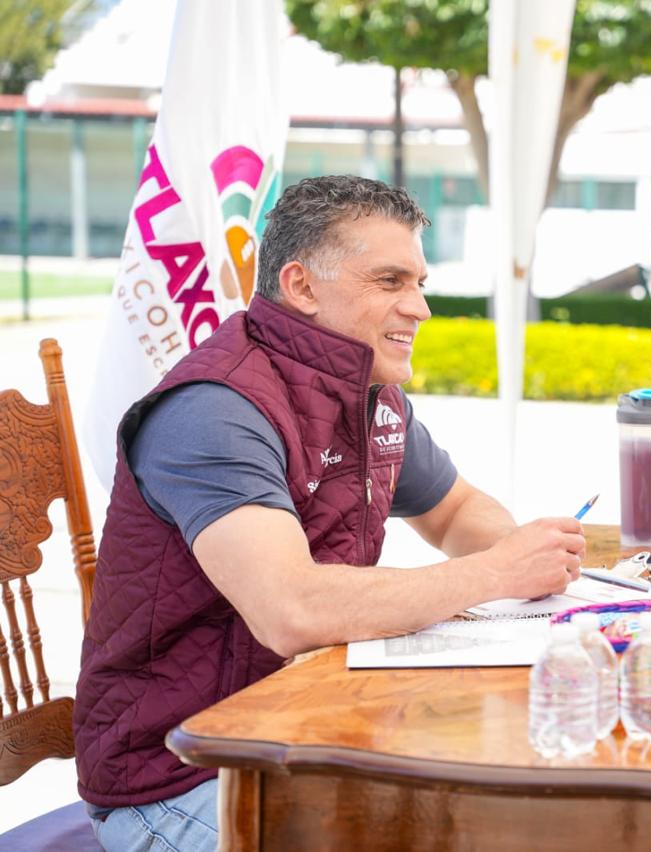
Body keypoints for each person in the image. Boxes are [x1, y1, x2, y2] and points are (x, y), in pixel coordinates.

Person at [74, 176, 587, 851]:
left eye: (420, 282)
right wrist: (497, 572)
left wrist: (532, 561)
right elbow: (292, 610)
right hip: (180, 775)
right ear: (302, 286)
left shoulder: (367, 393)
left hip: (302, 734)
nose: (420, 307)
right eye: (390, 281)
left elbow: (455, 508)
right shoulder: (215, 409)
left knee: (525, 814)